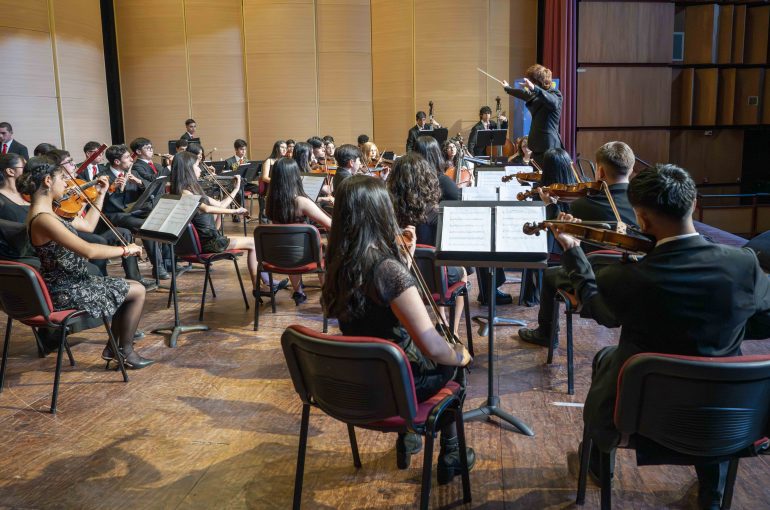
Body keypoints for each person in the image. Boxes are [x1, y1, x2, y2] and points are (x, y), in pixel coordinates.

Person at [550, 164, 770, 510]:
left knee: (607, 360)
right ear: (694, 204)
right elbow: (764, 319)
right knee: (714, 369)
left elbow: (598, 310)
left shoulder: (629, 279)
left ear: (642, 220)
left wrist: (573, 249)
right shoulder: (743, 265)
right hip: (728, 415)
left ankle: (598, 466)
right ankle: (713, 490)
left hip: (640, 419)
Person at [322, 175, 474, 484]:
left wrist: (403, 260)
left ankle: (408, 437)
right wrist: (462, 356)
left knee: (418, 352)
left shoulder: (338, 260)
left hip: (358, 381)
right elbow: (431, 345)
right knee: (453, 365)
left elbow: (377, 311)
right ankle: (452, 454)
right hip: (395, 385)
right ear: (381, 212)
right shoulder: (386, 269)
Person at [19, 157, 153, 368]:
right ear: (47, 181)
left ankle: (115, 349)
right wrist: (126, 249)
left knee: (131, 288)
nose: (67, 183)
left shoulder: (49, 213)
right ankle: (124, 351)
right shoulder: (43, 219)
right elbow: (88, 250)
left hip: (71, 281)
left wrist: (99, 195)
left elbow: (89, 226)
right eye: (62, 178)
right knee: (136, 291)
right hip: (65, 290)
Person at [518, 141, 639, 347]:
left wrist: (550, 205)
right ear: (632, 169)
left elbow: (562, 234)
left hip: (594, 282)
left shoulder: (582, 205)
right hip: (638, 283)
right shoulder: (645, 205)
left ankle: (546, 334)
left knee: (549, 275)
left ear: (599, 171)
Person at [170, 151, 286, 297]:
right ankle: (260, 286)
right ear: (187, 169)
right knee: (254, 243)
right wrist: (235, 212)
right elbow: (206, 208)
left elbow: (220, 204)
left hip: (210, 238)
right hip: (207, 243)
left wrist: (236, 189)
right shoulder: (184, 194)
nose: (200, 169)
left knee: (254, 242)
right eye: (197, 166)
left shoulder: (193, 190)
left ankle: (265, 283)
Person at [45, 149, 152, 289]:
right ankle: (101, 278)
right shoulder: (56, 191)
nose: (74, 164)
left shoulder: (75, 182)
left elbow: (91, 208)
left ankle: (134, 276)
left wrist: (99, 194)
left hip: (91, 224)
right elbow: (74, 217)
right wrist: (82, 202)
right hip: (75, 230)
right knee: (99, 240)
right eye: (69, 162)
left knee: (124, 233)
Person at [386, 153, 468, 335]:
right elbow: (447, 251)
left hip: (397, 276)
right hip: (433, 279)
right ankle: (451, 330)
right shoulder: (437, 213)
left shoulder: (387, 210)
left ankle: (441, 319)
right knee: (461, 271)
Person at [265, 157, 331, 304]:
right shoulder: (300, 201)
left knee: (290, 244)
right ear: (295, 176)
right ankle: (327, 293)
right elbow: (330, 224)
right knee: (326, 252)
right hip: (305, 255)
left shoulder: (270, 201)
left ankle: (298, 292)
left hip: (280, 255)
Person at [502, 64, 563, 167]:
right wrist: (507, 88)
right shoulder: (535, 95)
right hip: (536, 145)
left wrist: (534, 88)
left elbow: (553, 102)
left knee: (548, 178)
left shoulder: (555, 94)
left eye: (531, 81)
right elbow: (522, 94)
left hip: (549, 146)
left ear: (536, 81)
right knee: (536, 178)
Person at [412, 135, 460, 202]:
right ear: (437, 155)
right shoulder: (442, 181)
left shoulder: (409, 178)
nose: (452, 149)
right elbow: (458, 198)